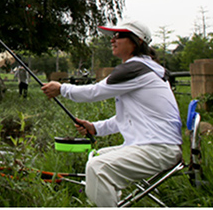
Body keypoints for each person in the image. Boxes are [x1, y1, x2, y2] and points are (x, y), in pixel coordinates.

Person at [41, 20, 182, 207]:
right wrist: (95, 128)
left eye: (119, 35)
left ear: (137, 41)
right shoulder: (145, 67)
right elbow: (127, 118)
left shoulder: (135, 68)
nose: (113, 40)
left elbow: (94, 92)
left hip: (158, 148)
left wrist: (61, 89)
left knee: (98, 168)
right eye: (112, 36)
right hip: (155, 145)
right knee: (97, 158)